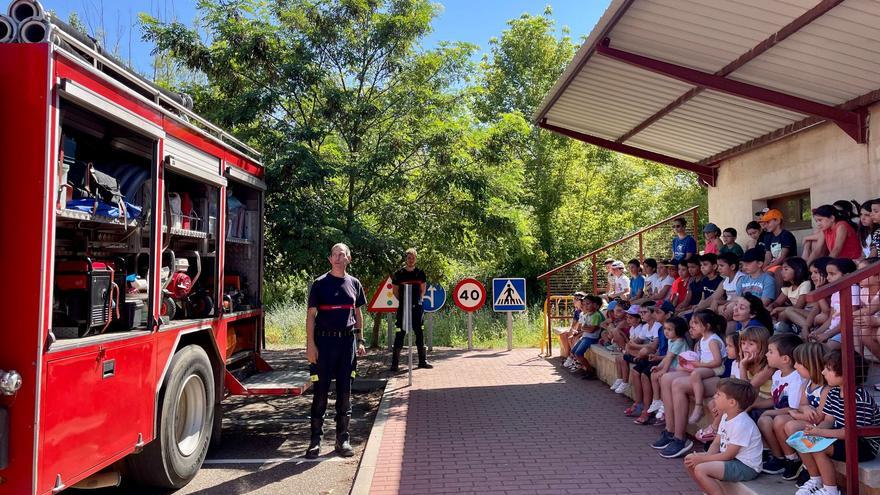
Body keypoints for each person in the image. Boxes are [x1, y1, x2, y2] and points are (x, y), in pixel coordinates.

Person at [305, 243, 368, 459]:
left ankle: (343, 439)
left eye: (343, 255)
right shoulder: (319, 284)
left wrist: (360, 340)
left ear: (349, 258)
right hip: (323, 345)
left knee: (345, 393)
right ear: (330, 259)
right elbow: (311, 317)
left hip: (347, 345)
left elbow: (358, 314)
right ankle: (315, 441)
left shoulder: (355, 284)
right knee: (320, 393)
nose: (339, 258)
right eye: (335, 255)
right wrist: (310, 345)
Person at [796, 350, 880, 495]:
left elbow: (850, 433)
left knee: (818, 446)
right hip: (841, 438)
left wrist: (819, 433)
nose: (822, 372)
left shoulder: (860, 398)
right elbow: (829, 420)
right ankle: (815, 480)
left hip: (862, 445)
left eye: (828, 369)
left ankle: (831, 490)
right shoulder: (834, 393)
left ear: (845, 373)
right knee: (803, 440)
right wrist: (813, 431)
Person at [684, 378, 763, 493]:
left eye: (719, 394)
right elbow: (716, 443)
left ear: (731, 402)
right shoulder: (726, 416)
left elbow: (728, 455)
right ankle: (708, 491)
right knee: (690, 460)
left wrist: (703, 459)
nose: (715, 396)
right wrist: (705, 458)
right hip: (732, 460)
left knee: (701, 469)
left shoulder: (742, 424)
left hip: (746, 467)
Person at [754, 333, 806, 475]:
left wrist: (770, 412)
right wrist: (755, 404)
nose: (766, 355)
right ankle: (779, 458)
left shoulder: (796, 378)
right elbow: (775, 399)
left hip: (792, 416)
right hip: (779, 413)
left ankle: (792, 459)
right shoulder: (777, 375)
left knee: (772, 419)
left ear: (785, 359)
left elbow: (793, 407)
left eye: (771, 352)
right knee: (762, 419)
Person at [778, 343, 828, 482]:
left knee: (791, 426)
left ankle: (811, 471)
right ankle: (799, 463)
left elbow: (818, 418)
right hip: (809, 420)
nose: (795, 366)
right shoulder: (808, 382)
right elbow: (802, 404)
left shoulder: (827, 388)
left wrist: (795, 414)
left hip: (823, 426)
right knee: (781, 421)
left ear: (811, 364)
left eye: (799, 363)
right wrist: (805, 408)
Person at [390, 248, 431, 371]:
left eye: (413, 257)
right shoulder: (399, 274)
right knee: (400, 333)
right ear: (406, 259)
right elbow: (395, 291)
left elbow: (423, 289)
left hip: (417, 308)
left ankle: (422, 361)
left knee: (419, 332)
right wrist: (404, 301)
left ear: (415, 259)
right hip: (403, 308)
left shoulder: (420, 273)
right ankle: (395, 364)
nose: (411, 259)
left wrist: (416, 301)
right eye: (409, 257)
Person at [684, 310, 728, 425]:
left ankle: (698, 407)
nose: (692, 325)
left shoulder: (712, 340)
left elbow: (717, 362)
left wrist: (699, 365)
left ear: (707, 326)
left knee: (695, 373)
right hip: (707, 367)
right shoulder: (702, 340)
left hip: (716, 369)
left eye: (696, 323)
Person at [808, 258, 859, 349]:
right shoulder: (836, 292)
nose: (828, 278)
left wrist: (827, 334)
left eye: (832, 274)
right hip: (833, 330)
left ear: (847, 275)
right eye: (827, 274)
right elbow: (831, 318)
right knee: (812, 343)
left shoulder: (853, 289)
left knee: (828, 347)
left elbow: (849, 319)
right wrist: (818, 332)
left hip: (846, 331)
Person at [759, 208, 798, 274]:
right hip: (773, 266)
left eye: (768, 222)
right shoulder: (768, 237)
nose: (765, 225)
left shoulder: (786, 235)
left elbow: (782, 257)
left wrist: (766, 268)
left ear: (777, 221)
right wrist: (761, 269)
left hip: (787, 265)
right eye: (765, 223)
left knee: (770, 273)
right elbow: (768, 258)